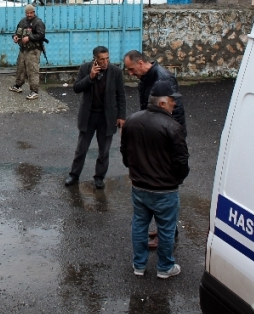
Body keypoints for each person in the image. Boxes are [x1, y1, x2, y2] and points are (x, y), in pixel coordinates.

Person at [120, 79, 189, 279]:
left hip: (139, 187)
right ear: (161, 103)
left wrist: (134, 170)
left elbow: (125, 152)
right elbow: (181, 160)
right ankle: (165, 267)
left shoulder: (132, 120)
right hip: (165, 190)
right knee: (166, 229)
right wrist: (177, 178)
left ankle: (139, 265)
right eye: (171, 101)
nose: (174, 104)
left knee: (139, 225)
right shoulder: (173, 127)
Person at [65, 46, 126, 189]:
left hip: (107, 117)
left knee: (104, 150)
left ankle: (99, 177)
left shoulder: (115, 72)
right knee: (81, 148)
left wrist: (121, 116)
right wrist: (90, 77)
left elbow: (121, 96)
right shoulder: (85, 68)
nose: (105, 62)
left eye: (107, 59)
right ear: (95, 59)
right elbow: (76, 88)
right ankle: (74, 175)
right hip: (89, 115)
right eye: (101, 59)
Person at [123, 50, 186, 136]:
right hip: (155, 130)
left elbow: (176, 109)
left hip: (165, 134)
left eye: (131, 69)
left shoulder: (163, 78)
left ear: (141, 63)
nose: (130, 73)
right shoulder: (144, 78)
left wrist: (175, 136)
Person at [9, 4, 45, 100]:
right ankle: (18, 86)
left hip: (33, 50)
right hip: (23, 49)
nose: (29, 15)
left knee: (32, 70)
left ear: (34, 12)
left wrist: (29, 38)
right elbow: (16, 32)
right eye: (27, 13)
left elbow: (41, 35)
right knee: (20, 68)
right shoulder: (22, 21)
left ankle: (34, 91)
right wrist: (15, 36)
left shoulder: (38, 22)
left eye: (30, 13)